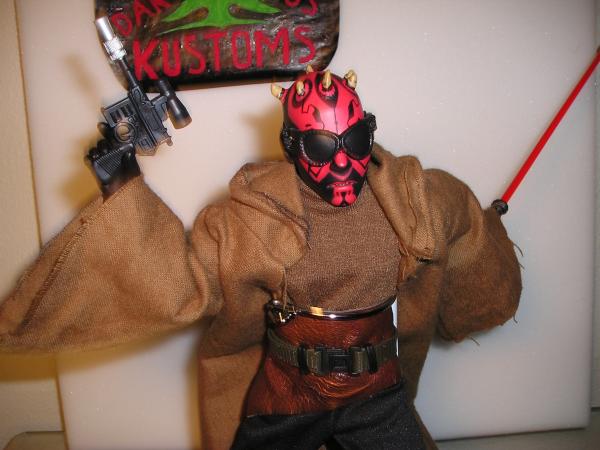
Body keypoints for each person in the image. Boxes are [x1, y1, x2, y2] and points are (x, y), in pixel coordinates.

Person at [0, 68, 521, 450]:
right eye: (322, 148)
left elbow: (464, 225)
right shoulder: (253, 222)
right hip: (290, 393)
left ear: (370, 129)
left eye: (356, 139)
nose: (343, 162)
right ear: (292, 145)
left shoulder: (415, 202)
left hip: (377, 392)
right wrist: (121, 182)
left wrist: (485, 231)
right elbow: (182, 280)